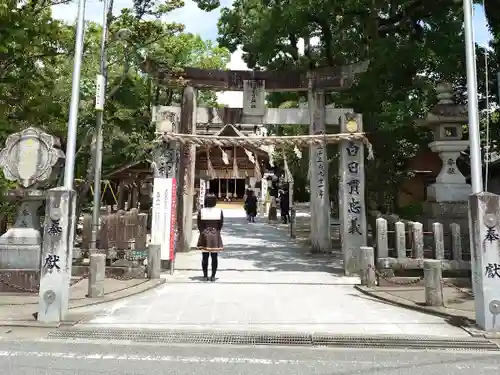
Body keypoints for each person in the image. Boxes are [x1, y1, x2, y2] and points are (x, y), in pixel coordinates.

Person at [197, 194, 224, 282]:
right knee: (214, 257)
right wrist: (216, 231)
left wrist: (203, 232)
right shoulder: (219, 211)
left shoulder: (201, 211)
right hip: (215, 235)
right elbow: (221, 224)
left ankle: (205, 276)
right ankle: (213, 276)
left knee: (205, 257)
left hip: (205, 235)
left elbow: (199, 224)